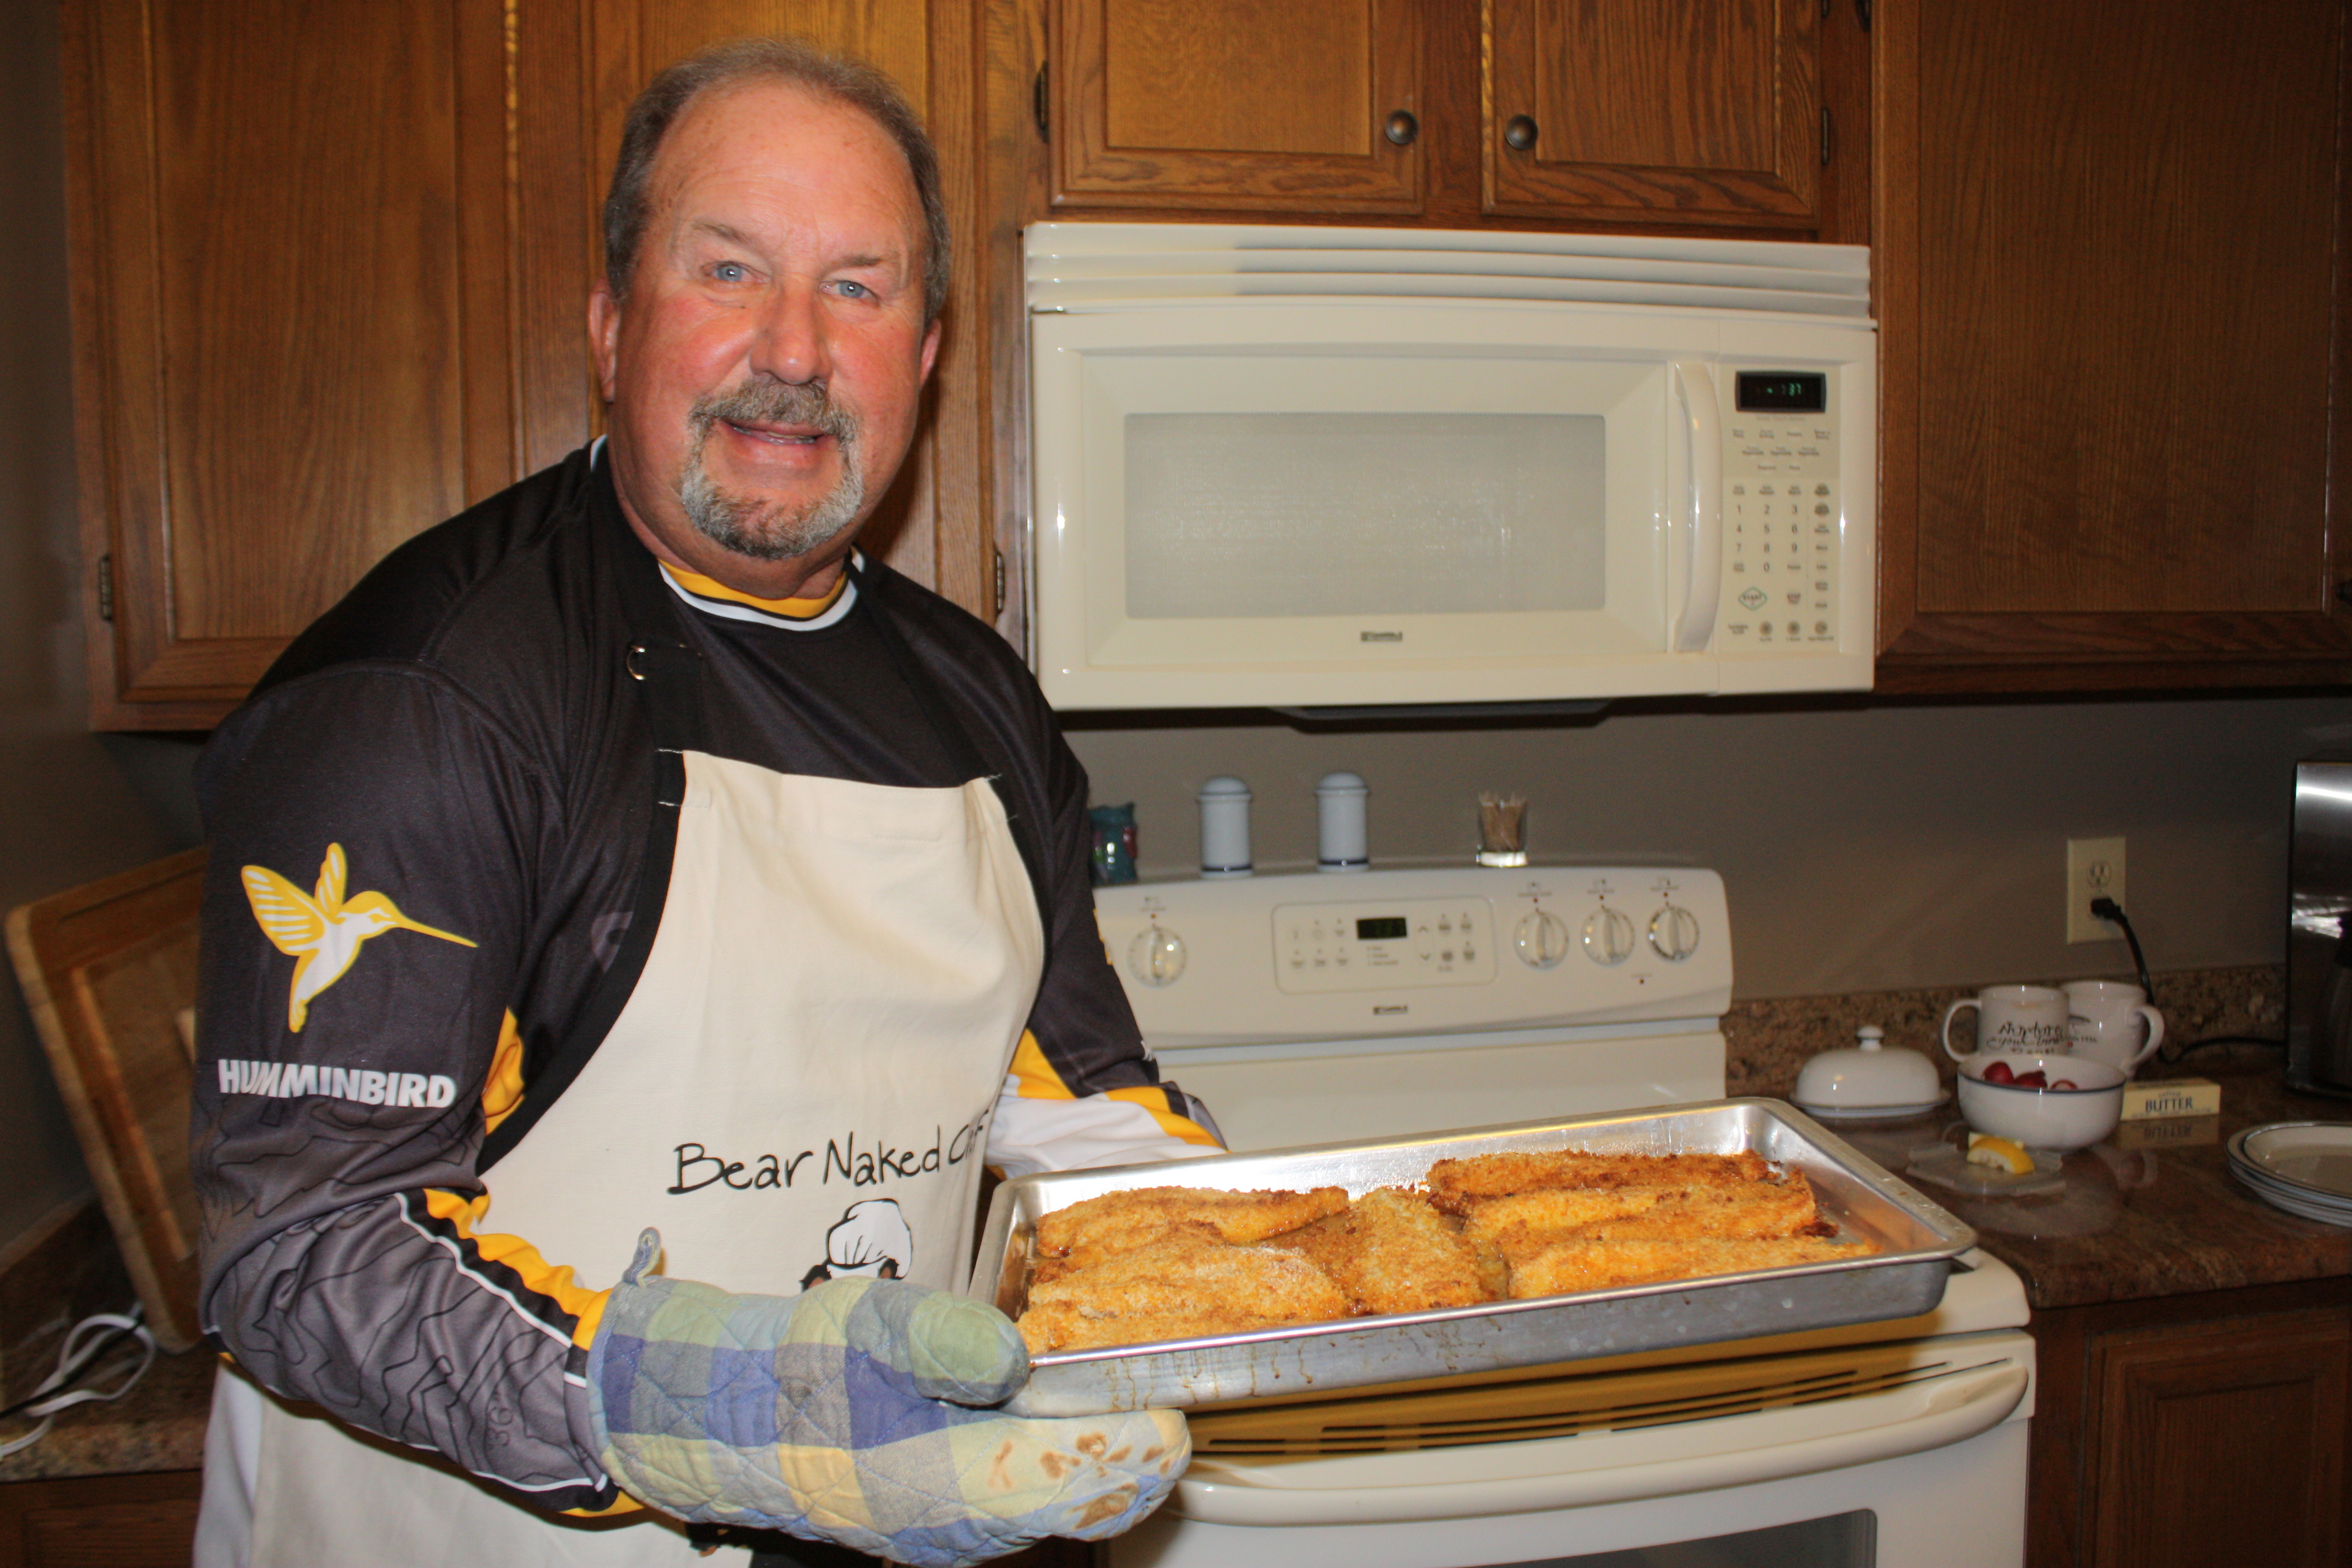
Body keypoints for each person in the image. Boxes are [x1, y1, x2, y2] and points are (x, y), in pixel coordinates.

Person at [187, 36, 1221, 1568]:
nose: (795, 348)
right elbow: (304, 1247)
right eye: (731, 270)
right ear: (614, 324)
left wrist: (1256, 1260)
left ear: (925, 357)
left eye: (859, 287)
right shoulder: (425, 700)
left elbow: (1082, 1094)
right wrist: (706, 1415)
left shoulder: (979, 701)